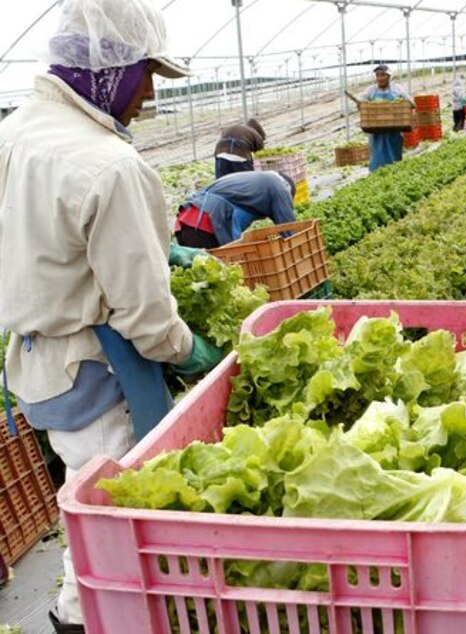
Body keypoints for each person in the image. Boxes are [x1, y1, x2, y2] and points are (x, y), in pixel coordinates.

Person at [0, 1, 223, 632]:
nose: (148, 94)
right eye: (147, 74)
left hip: (41, 364)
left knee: (84, 499)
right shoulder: (112, 164)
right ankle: (88, 619)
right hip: (101, 368)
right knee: (117, 521)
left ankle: (78, 610)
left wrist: (154, 244)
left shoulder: (16, 130)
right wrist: (191, 351)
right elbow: (146, 319)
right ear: (116, 71)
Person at [174, 171, 297, 248]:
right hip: (206, 224)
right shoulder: (280, 187)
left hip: (186, 220)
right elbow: (288, 229)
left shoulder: (258, 180)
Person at [361, 64, 412, 172]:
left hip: (394, 130)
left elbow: (411, 103)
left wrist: (401, 106)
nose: (380, 78)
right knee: (377, 156)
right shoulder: (371, 91)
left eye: (383, 75)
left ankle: (394, 176)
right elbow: (362, 103)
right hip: (376, 131)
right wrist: (363, 105)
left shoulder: (397, 89)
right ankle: (376, 176)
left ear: (389, 76)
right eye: (378, 75)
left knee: (394, 155)